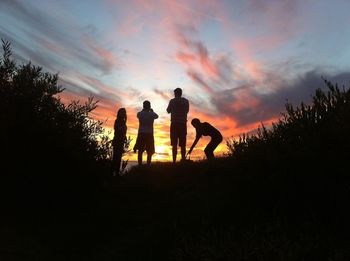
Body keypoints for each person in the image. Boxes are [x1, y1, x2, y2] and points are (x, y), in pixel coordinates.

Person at [166, 87, 189, 163]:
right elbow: (187, 111)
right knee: (183, 144)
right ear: (181, 93)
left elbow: (168, 111)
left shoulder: (172, 101)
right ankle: (183, 159)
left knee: (174, 144)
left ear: (175, 93)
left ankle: (174, 162)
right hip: (182, 123)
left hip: (174, 124)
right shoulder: (186, 101)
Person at [133, 100, 158, 166]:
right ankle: (148, 165)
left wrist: (143, 110)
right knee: (149, 151)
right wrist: (152, 111)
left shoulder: (140, 114)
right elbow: (157, 116)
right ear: (149, 106)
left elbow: (138, 115)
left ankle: (140, 165)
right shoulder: (152, 114)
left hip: (141, 133)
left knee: (140, 151)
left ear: (143, 106)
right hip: (149, 134)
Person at [112, 108, 127, 176]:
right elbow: (118, 129)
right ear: (119, 113)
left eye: (124, 112)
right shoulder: (117, 121)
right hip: (117, 141)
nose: (123, 113)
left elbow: (123, 132)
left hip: (121, 141)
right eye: (122, 112)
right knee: (115, 157)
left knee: (118, 158)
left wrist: (125, 137)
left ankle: (116, 173)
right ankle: (112, 173)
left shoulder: (123, 121)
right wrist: (123, 128)